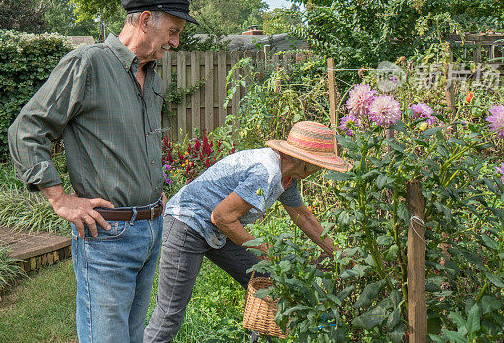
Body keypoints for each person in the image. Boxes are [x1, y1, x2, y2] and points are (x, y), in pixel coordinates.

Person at [8, 0, 197, 343]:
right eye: (172, 32)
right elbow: (27, 129)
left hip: (152, 227)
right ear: (145, 20)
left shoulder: (153, 78)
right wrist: (60, 199)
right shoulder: (88, 64)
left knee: (131, 336)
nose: (175, 42)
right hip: (108, 236)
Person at [144, 121, 350, 343]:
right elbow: (221, 216)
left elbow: (305, 218)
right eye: (321, 164)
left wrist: (337, 253)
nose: (322, 169)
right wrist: (263, 249)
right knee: (169, 315)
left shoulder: (287, 179)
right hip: (187, 223)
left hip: (217, 227)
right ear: (306, 163)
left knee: (265, 278)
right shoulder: (266, 171)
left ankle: (261, 338)